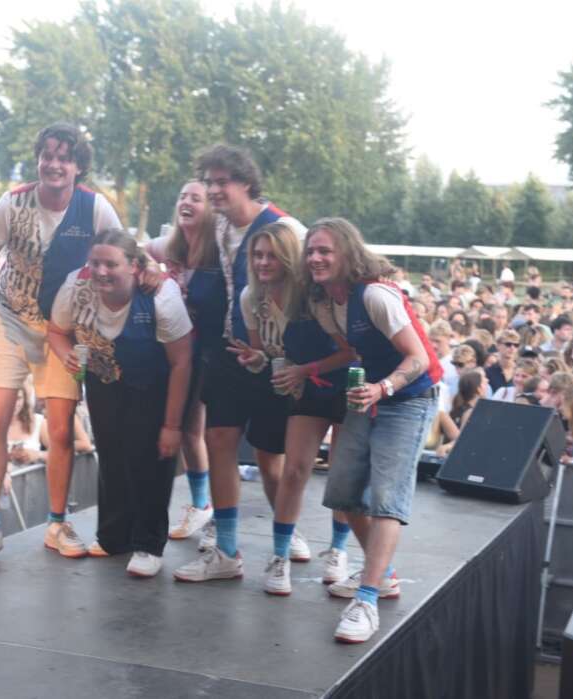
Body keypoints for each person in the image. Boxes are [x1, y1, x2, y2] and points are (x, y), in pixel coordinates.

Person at [0, 123, 122, 571]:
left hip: (63, 328)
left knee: (62, 427)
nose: (54, 164)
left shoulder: (95, 208)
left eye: (64, 157)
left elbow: (124, 259)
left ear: (78, 166)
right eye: (47, 155)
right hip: (9, 316)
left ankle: (57, 524)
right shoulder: (12, 203)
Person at [302, 217, 441, 643]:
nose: (315, 258)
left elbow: (418, 358)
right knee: (342, 493)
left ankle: (366, 600)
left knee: (386, 499)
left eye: (325, 250)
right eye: (310, 251)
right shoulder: (323, 302)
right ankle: (385, 575)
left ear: (347, 254)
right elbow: (351, 352)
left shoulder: (376, 295)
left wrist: (383, 387)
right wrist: (306, 370)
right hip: (370, 394)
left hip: (409, 396)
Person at [172, 144, 302, 583]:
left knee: (270, 457)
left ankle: (286, 531)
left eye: (221, 182)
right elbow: (170, 243)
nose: (213, 190)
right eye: (208, 182)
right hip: (230, 350)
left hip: (274, 355)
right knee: (219, 439)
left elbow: (320, 274)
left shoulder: (285, 228)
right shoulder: (221, 225)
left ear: (246, 182)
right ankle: (227, 549)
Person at [49, 230, 193, 577]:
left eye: (111, 264)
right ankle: (114, 536)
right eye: (95, 263)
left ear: (133, 266)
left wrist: (173, 425)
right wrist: (67, 356)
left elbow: (182, 362)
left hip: (153, 382)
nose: (101, 271)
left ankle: (148, 544)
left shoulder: (161, 296)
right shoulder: (75, 286)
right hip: (103, 379)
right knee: (111, 455)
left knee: (151, 459)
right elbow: (55, 331)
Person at [222, 223, 355, 595]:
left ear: (288, 258)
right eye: (257, 255)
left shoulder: (312, 295)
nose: (263, 262)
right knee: (293, 469)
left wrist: (304, 370)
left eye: (272, 256)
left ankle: (339, 550)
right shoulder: (251, 297)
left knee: (341, 473)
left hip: (337, 381)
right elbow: (262, 352)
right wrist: (256, 359)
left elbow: (349, 351)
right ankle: (280, 555)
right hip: (294, 382)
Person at [145, 181, 224, 541]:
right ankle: (201, 503)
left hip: (217, 350)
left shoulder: (221, 250)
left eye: (196, 198)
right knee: (191, 429)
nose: (186, 202)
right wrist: (150, 270)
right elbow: (140, 251)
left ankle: (220, 513)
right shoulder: (171, 246)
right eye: (182, 196)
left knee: (216, 433)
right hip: (182, 349)